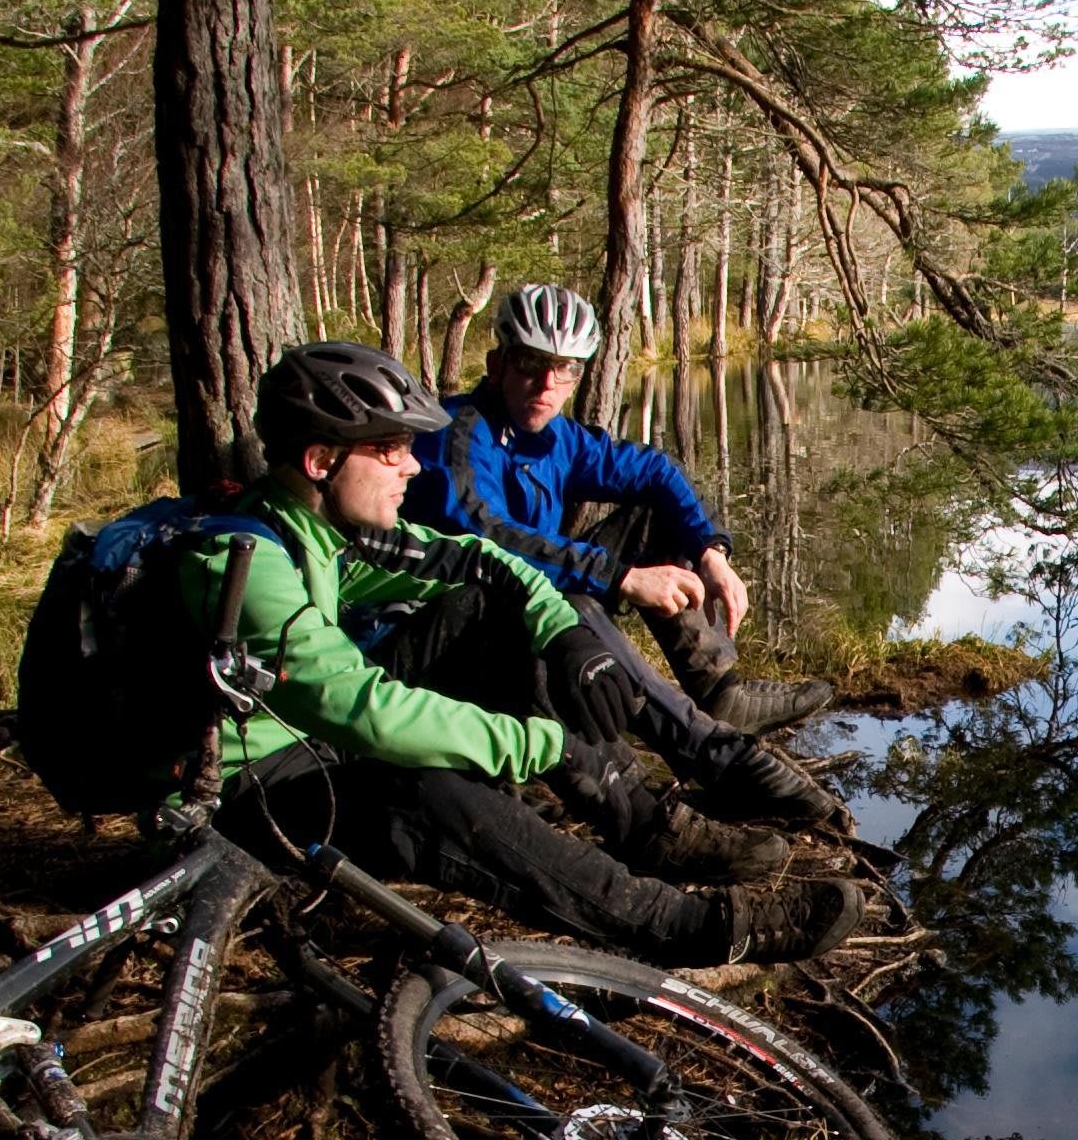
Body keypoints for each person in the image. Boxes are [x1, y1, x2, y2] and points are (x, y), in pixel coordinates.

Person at [185, 340, 865, 968]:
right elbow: (366, 714)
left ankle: (652, 820)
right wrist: (537, 745)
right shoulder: (246, 564)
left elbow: (484, 562)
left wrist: (564, 634)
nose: (412, 466)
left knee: (494, 607)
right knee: (426, 796)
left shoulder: (319, 531)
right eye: (391, 450)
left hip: (317, 735)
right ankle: (691, 928)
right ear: (321, 461)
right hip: (251, 791)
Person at [410, 282, 838, 745]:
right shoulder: (458, 434)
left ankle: (721, 691)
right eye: (531, 363)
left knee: (654, 515)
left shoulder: (558, 438)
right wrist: (621, 576)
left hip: (525, 607)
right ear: (498, 365)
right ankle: (693, 744)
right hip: (448, 641)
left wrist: (711, 550)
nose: (547, 384)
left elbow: (655, 472)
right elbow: (489, 537)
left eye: (565, 369)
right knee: (570, 596)